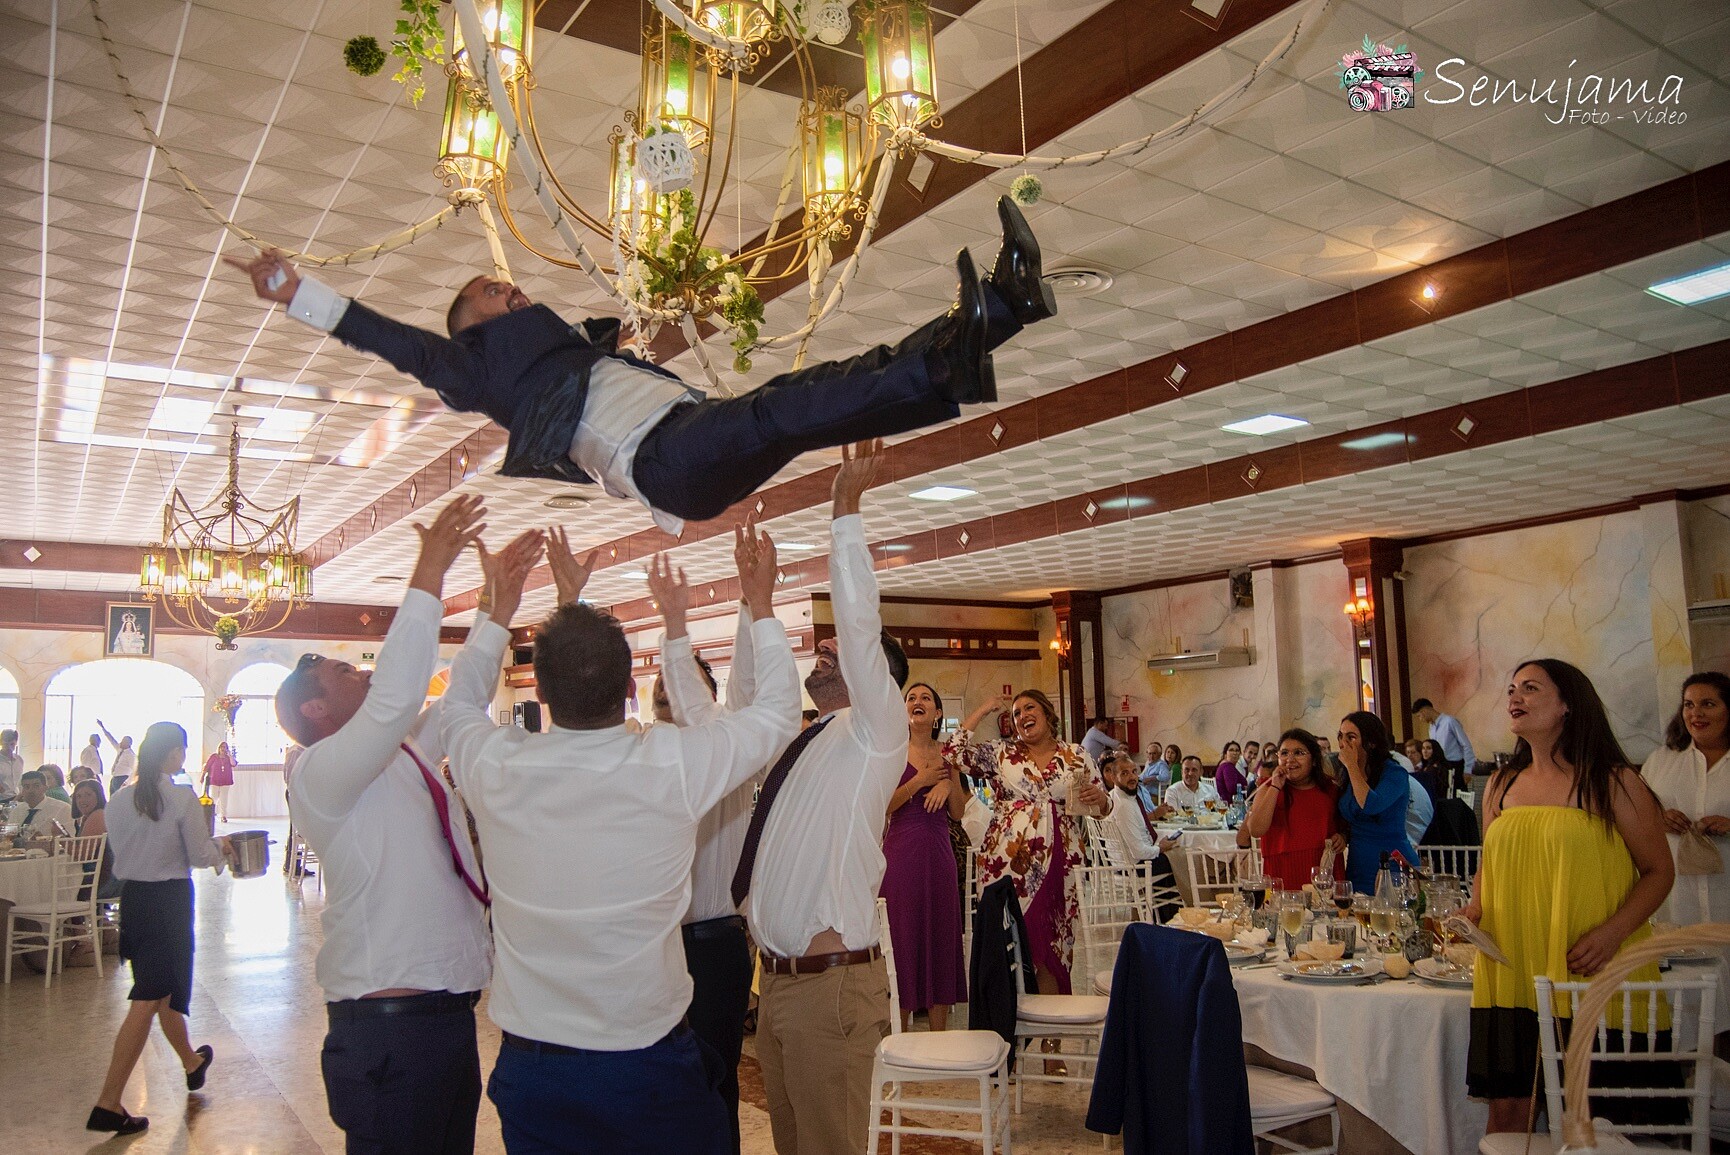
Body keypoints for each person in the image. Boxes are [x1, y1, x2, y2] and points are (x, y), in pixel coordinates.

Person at [227, 198, 1056, 533]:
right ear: (472, 325)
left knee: (807, 398)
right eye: (491, 289)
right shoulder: (476, 372)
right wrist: (300, 293)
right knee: (781, 409)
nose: (507, 285)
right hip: (663, 462)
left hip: (685, 441)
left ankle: (1003, 312)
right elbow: (394, 343)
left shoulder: (565, 352)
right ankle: (964, 343)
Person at [442, 522, 798, 1154]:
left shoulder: (496, 767)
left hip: (537, 1066)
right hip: (648, 1064)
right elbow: (776, 715)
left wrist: (500, 608)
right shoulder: (668, 765)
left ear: (541, 693)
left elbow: (458, 707)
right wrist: (762, 601)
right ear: (630, 687)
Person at [276, 496, 495, 1155]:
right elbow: (399, 692)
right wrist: (429, 570)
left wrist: (498, 613)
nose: (363, 670)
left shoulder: (399, 756)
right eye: (345, 670)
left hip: (445, 1017)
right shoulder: (318, 771)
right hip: (387, 1027)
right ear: (315, 707)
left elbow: (458, 700)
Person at [727, 441, 911, 1154]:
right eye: (823, 644)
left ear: (881, 681)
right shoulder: (805, 741)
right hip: (776, 986)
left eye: (842, 649)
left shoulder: (875, 732)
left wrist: (845, 513)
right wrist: (753, 605)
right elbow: (746, 696)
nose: (826, 646)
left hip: (831, 986)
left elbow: (862, 630)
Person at [1459, 659, 1674, 1134]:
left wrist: (1613, 933)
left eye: (1531, 688)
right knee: (1508, 1113)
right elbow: (1488, 867)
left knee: (1599, 1120)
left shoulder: (1614, 781)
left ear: (1568, 705)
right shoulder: (1501, 783)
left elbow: (1660, 872)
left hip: (1590, 961)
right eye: (1512, 688)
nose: (1515, 697)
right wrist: (1475, 908)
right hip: (1512, 966)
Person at [643, 525, 768, 1154]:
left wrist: (751, 600)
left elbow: (748, 684)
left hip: (715, 943)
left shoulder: (725, 745)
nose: (669, 694)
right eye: (662, 687)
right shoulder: (640, 752)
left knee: (712, 1084)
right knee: (656, 1087)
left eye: (681, 682)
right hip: (649, 942)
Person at [88, 721, 234, 1135]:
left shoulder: (118, 799)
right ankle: (109, 1102)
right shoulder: (179, 797)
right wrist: (221, 848)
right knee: (149, 996)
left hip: (134, 901)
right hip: (169, 901)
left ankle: (191, 1061)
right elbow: (199, 854)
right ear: (174, 754)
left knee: (162, 988)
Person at [959, 687, 1111, 1006]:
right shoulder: (1001, 754)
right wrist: (983, 708)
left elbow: (1102, 806)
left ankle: (1051, 1047)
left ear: (1047, 714)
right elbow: (953, 753)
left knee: (1054, 948)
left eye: (1029, 708)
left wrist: (1102, 801)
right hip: (1009, 860)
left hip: (1062, 859)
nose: (1022, 716)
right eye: (1016, 714)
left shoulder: (1077, 755)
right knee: (1011, 946)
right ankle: (1007, 1036)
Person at [879, 682, 970, 1033]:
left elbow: (959, 814)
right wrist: (919, 783)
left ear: (937, 713)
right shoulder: (892, 752)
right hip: (902, 853)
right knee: (903, 937)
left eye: (925, 698)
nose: (917, 702)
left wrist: (949, 782)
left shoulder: (949, 756)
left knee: (941, 936)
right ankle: (899, 1033)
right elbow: (882, 806)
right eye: (911, 698)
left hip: (939, 852)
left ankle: (939, 1035)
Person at [1644, 671, 1730, 1041]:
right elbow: (1634, 816)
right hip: (1677, 899)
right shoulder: (1663, 761)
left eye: (1708, 704)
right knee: (1686, 1000)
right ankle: (1690, 1080)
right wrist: (1657, 818)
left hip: (1725, 891)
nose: (1696, 713)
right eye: (1689, 704)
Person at [1243, 729, 1343, 890]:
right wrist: (1275, 786)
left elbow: (1344, 826)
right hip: (1282, 870)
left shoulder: (1330, 788)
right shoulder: (1268, 787)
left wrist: (1342, 837)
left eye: (1299, 753)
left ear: (1314, 760)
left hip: (1323, 870)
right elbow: (1255, 829)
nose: (1290, 760)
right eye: (1284, 753)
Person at [1335, 711, 1418, 893]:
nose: (1343, 744)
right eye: (1341, 736)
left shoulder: (1395, 773)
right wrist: (1342, 835)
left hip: (1391, 864)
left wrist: (1351, 766)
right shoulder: (1347, 775)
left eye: (1351, 737)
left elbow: (1371, 805)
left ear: (1371, 742)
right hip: (1358, 865)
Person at [1097, 750, 1182, 924]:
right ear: (1113, 777)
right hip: (1133, 866)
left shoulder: (1119, 798)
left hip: (1124, 863)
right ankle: (1176, 918)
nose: (1132, 777)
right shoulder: (1123, 806)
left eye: (1134, 772)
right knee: (1181, 859)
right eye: (1124, 773)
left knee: (1174, 855)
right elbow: (1139, 852)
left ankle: (1165, 919)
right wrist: (1161, 847)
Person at [72, 778, 123, 902]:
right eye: (78, 796)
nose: (82, 800)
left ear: (99, 796)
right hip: (112, 878)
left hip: (103, 881)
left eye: (88, 795)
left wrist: (60, 838)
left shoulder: (98, 815)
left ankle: (64, 920)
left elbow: (82, 856)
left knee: (55, 885)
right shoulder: (88, 817)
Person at [1413, 697, 1475, 793]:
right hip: (1440, 768)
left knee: (1456, 798)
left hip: (1455, 766)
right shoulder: (1431, 728)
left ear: (1424, 711)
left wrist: (1468, 769)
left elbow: (1465, 745)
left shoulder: (1449, 722)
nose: (1420, 719)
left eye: (1419, 716)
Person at [12, 770, 73, 838]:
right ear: (22, 791)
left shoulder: (62, 809)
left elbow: (68, 841)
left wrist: (42, 839)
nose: (31, 790)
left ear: (45, 788)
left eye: (36, 786)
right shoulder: (17, 810)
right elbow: (9, 835)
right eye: (26, 786)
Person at [201, 742, 236, 823]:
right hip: (214, 781)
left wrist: (230, 755)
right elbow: (207, 766)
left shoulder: (228, 758)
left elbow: (233, 764)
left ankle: (223, 816)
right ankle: (211, 814)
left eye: (225, 747)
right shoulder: (214, 757)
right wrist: (202, 776)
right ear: (219, 748)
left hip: (225, 781)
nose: (223, 749)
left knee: (224, 800)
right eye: (222, 747)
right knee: (213, 798)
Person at [1138, 743, 1177, 814]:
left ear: (1159, 754)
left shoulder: (1161, 764)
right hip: (1145, 793)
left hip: (1152, 796)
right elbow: (1141, 777)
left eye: (1154, 754)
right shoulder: (1150, 765)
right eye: (1149, 754)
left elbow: (1166, 776)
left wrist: (1151, 778)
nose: (1151, 756)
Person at [99, 721, 135, 791]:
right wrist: (103, 728)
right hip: (114, 778)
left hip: (122, 778)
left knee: (119, 799)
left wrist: (127, 782)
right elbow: (111, 739)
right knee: (112, 798)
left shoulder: (131, 755)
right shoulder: (120, 749)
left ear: (128, 743)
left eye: (123, 741)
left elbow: (134, 770)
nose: (121, 742)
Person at [0, 728, 23, 799]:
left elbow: (19, 781)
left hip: (17, 797)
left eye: (12, 744)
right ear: (1, 743)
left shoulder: (19, 760)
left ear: (16, 742)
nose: (9, 747)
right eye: (6, 744)